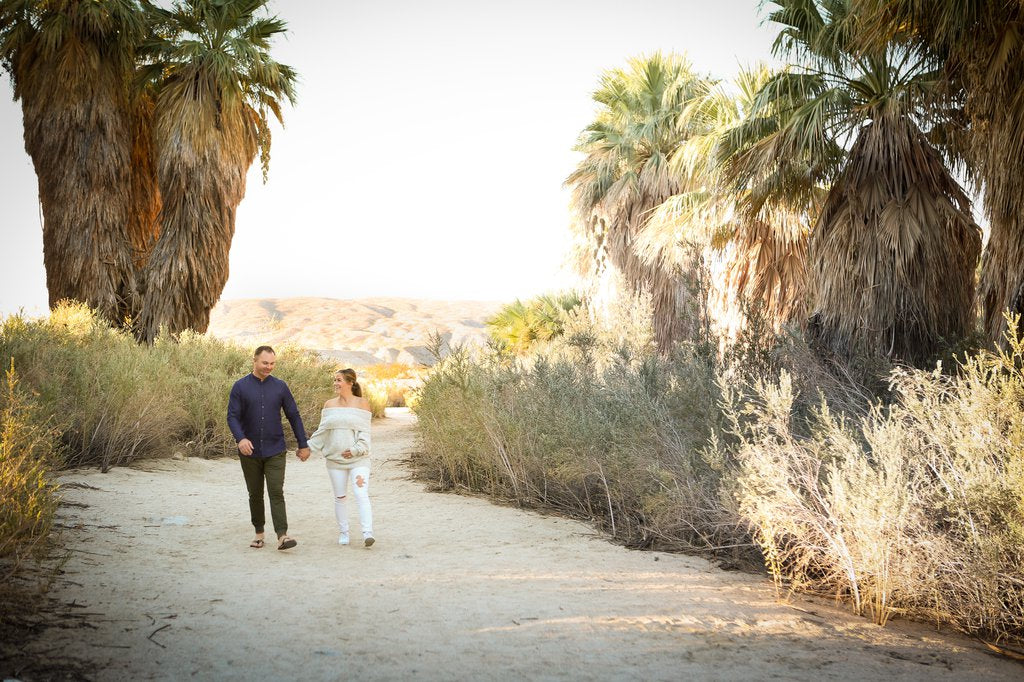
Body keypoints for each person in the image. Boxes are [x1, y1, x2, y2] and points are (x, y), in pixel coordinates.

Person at [227, 345, 310, 551]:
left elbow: (294, 415)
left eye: (272, 363)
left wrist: (303, 444)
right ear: (254, 361)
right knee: (255, 493)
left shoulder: (280, 387)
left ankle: (282, 536)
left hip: (275, 449)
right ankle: (259, 533)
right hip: (250, 451)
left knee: (276, 491)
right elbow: (233, 417)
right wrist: (241, 439)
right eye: (265, 363)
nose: (269, 367)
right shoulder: (240, 387)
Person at [307, 368, 375, 547]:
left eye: (339, 380)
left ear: (350, 383)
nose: (335, 384)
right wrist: (307, 448)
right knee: (340, 497)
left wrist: (354, 450)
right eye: (334, 380)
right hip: (335, 461)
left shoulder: (362, 404)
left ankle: (368, 533)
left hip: (359, 460)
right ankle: (344, 533)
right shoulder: (329, 405)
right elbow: (322, 432)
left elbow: (365, 434)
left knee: (361, 493)